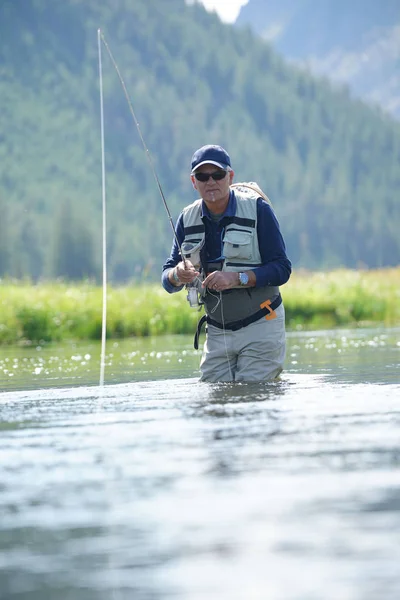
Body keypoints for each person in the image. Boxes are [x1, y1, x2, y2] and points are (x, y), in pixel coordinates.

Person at [161, 144, 291, 382]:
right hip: (217, 330)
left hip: (262, 322)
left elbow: (282, 269)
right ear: (194, 182)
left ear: (230, 177)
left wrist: (237, 278)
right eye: (203, 176)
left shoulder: (258, 210)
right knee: (214, 403)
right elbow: (167, 278)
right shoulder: (186, 218)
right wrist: (177, 274)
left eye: (217, 175)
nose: (210, 182)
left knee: (254, 395)